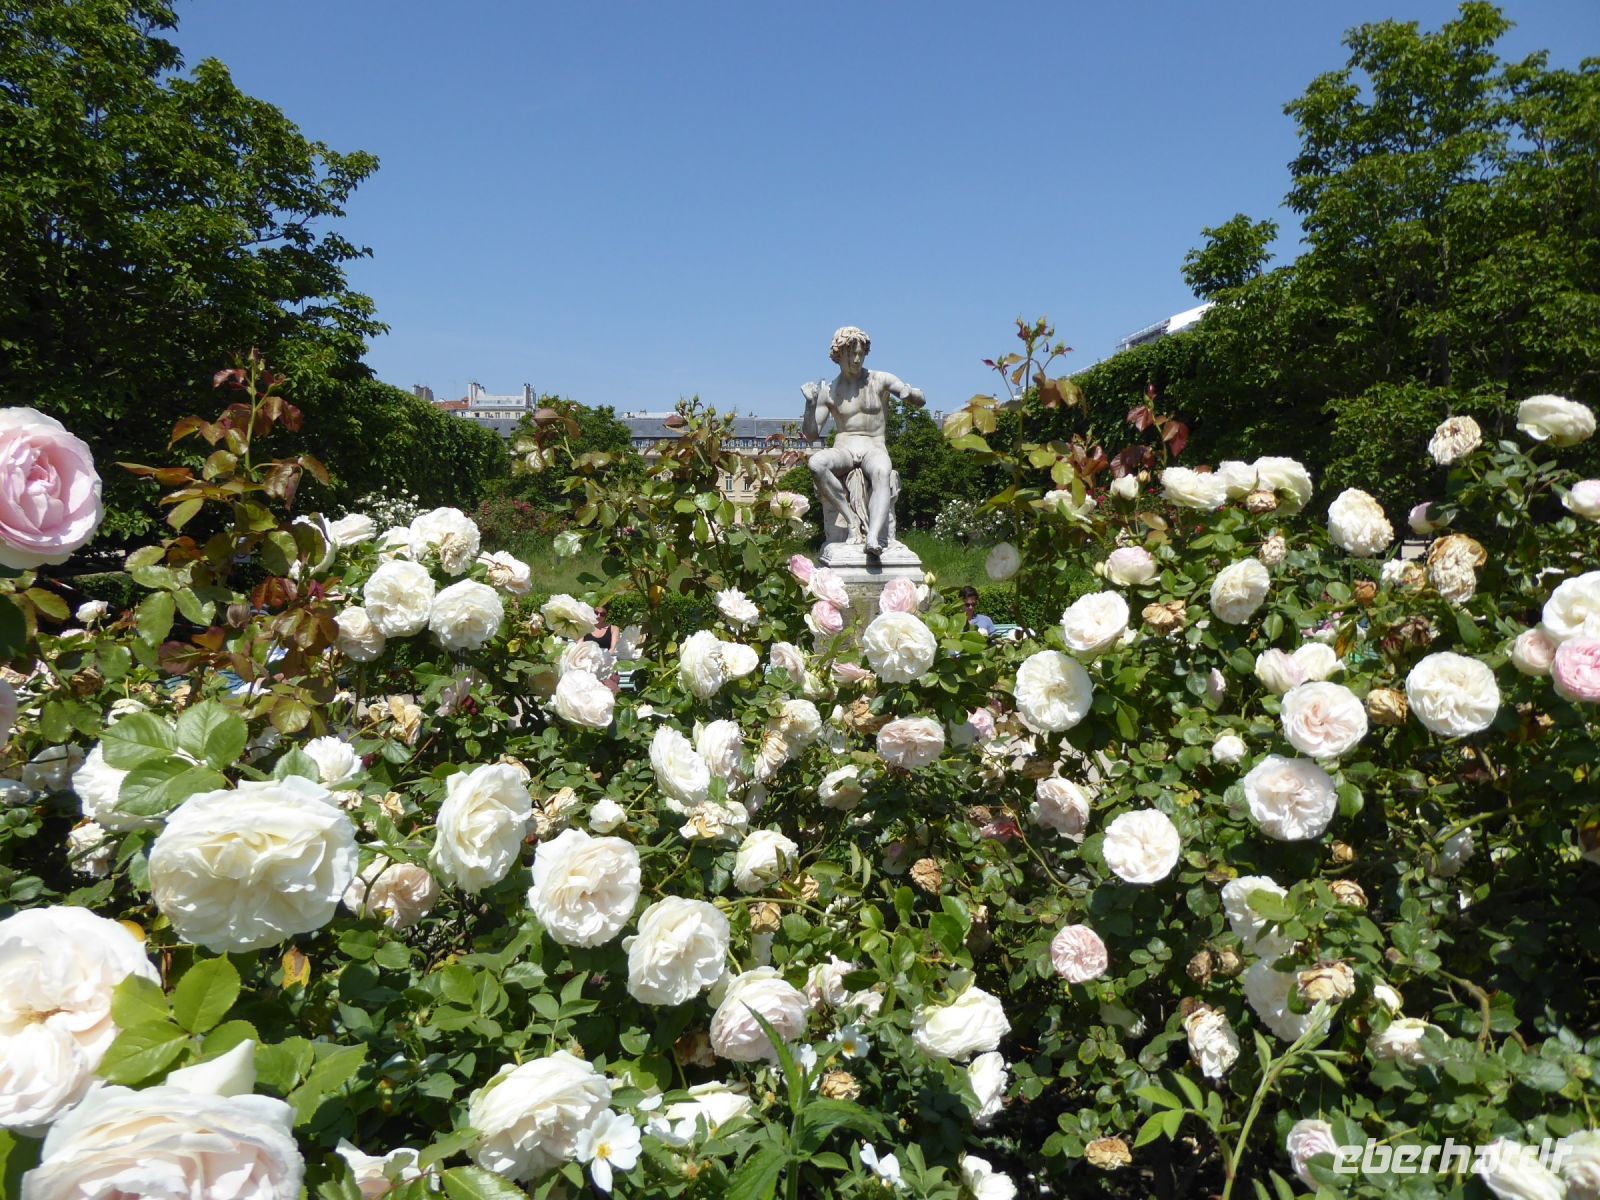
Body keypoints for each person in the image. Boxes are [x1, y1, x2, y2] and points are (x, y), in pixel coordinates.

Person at [801, 326, 924, 556]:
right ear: (838, 355)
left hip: (873, 445)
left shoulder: (880, 379)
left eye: (861, 354)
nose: (857, 360)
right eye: (851, 354)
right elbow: (811, 434)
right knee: (816, 464)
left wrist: (911, 394)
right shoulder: (829, 391)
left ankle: (874, 537)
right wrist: (809, 404)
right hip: (844, 448)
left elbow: (917, 397)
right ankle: (850, 521)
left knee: (882, 471)